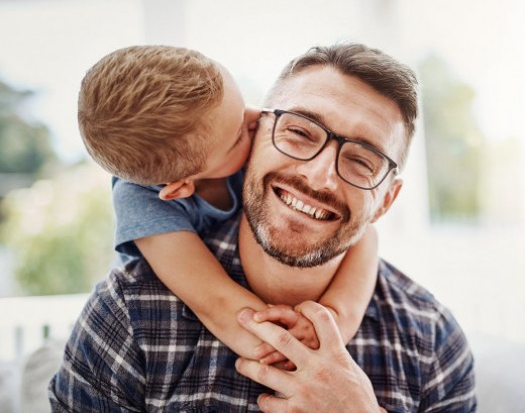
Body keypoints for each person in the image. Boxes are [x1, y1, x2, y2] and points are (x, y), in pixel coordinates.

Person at [50, 43, 476, 412]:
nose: (319, 176)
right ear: (264, 137)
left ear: (386, 200)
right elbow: (214, 300)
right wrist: (277, 344)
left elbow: (367, 237)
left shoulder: (433, 343)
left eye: (362, 159)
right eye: (299, 132)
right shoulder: (128, 311)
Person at [75, 45, 379, 365]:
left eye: (243, 103)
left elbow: (366, 234)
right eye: (238, 133)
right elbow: (217, 303)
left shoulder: (243, 149)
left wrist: (337, 318)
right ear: (180, 188)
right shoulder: (140, 201)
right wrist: (293, 345)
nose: (258, 117)